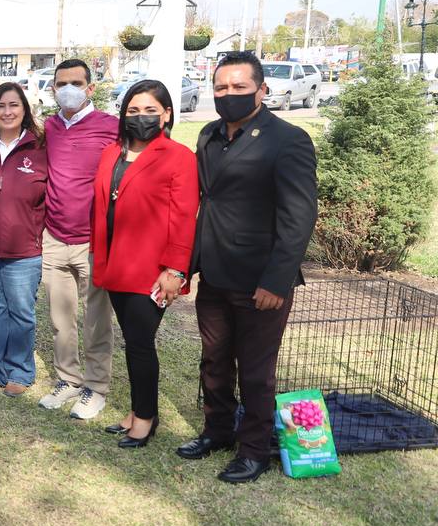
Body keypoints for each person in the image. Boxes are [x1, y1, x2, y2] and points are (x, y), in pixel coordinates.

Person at [177, 51, 318, 483]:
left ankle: (254, 449)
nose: (229, 94)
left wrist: (277, 279)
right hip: (215, 273)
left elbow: (299, 216)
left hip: (261, 280)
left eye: (239, 87)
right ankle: (217, 430)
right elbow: (207, 201)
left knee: (256, 371)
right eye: (221, 87)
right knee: (214, 361)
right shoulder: (208, 135)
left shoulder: (288, 139)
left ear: (262, 89)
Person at [89, 79, 199, 448]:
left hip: (152, 271)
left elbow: (184, 217)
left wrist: (175, 270)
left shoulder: (178, 156)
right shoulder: (111, 153)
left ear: (167, 114)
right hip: (115, 264)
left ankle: (146, 419)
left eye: (150, 110)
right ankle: (138, 410)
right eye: (133, 111)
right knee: (132, 342)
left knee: (139, 343)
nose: (141, 117)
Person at [37, 58, 119, 421]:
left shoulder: (110, 127)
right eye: (61, 83)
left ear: (90, 88)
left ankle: (96, 387)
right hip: (54, 237)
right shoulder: (49, 127)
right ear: (53, 89)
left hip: (93, 240)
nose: (68, 88)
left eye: (76, 82)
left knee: (97, 319)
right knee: (60, 318)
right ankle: (68, 379)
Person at [0, 82, 50, 397]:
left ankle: (20, 371)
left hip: (24, 251)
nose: (7, 111)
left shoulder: (41, 147)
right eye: (1, 105)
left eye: (14, 105)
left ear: (24, 110)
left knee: (21, 312)